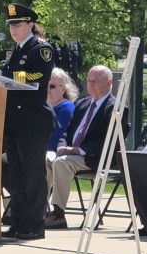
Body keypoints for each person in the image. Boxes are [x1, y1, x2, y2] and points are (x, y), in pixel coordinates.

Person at [45, 65, 130, 229]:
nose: (91, 84)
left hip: (97, 157)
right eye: (89, 81)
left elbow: (109, 140)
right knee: (46, 162)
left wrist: (78, 150)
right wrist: (62, 147)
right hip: (71, 155)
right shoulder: (81, 104)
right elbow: (66, 132)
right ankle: (40, 211)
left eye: (96, 81)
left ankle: (58, 214)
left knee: (61, 163)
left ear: (109, 82)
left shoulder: (115, 108)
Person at [1, 3, 55, 241]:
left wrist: (12, 76)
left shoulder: (41, 49)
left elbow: (40, 75)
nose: (14, 29)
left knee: (32, 173)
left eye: (18, 24)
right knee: (17, 174)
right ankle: (19, 221)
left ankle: (34, 224)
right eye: (11, 25)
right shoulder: (15, 50)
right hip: (14, 119)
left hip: (33, 120)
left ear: (31, 24)